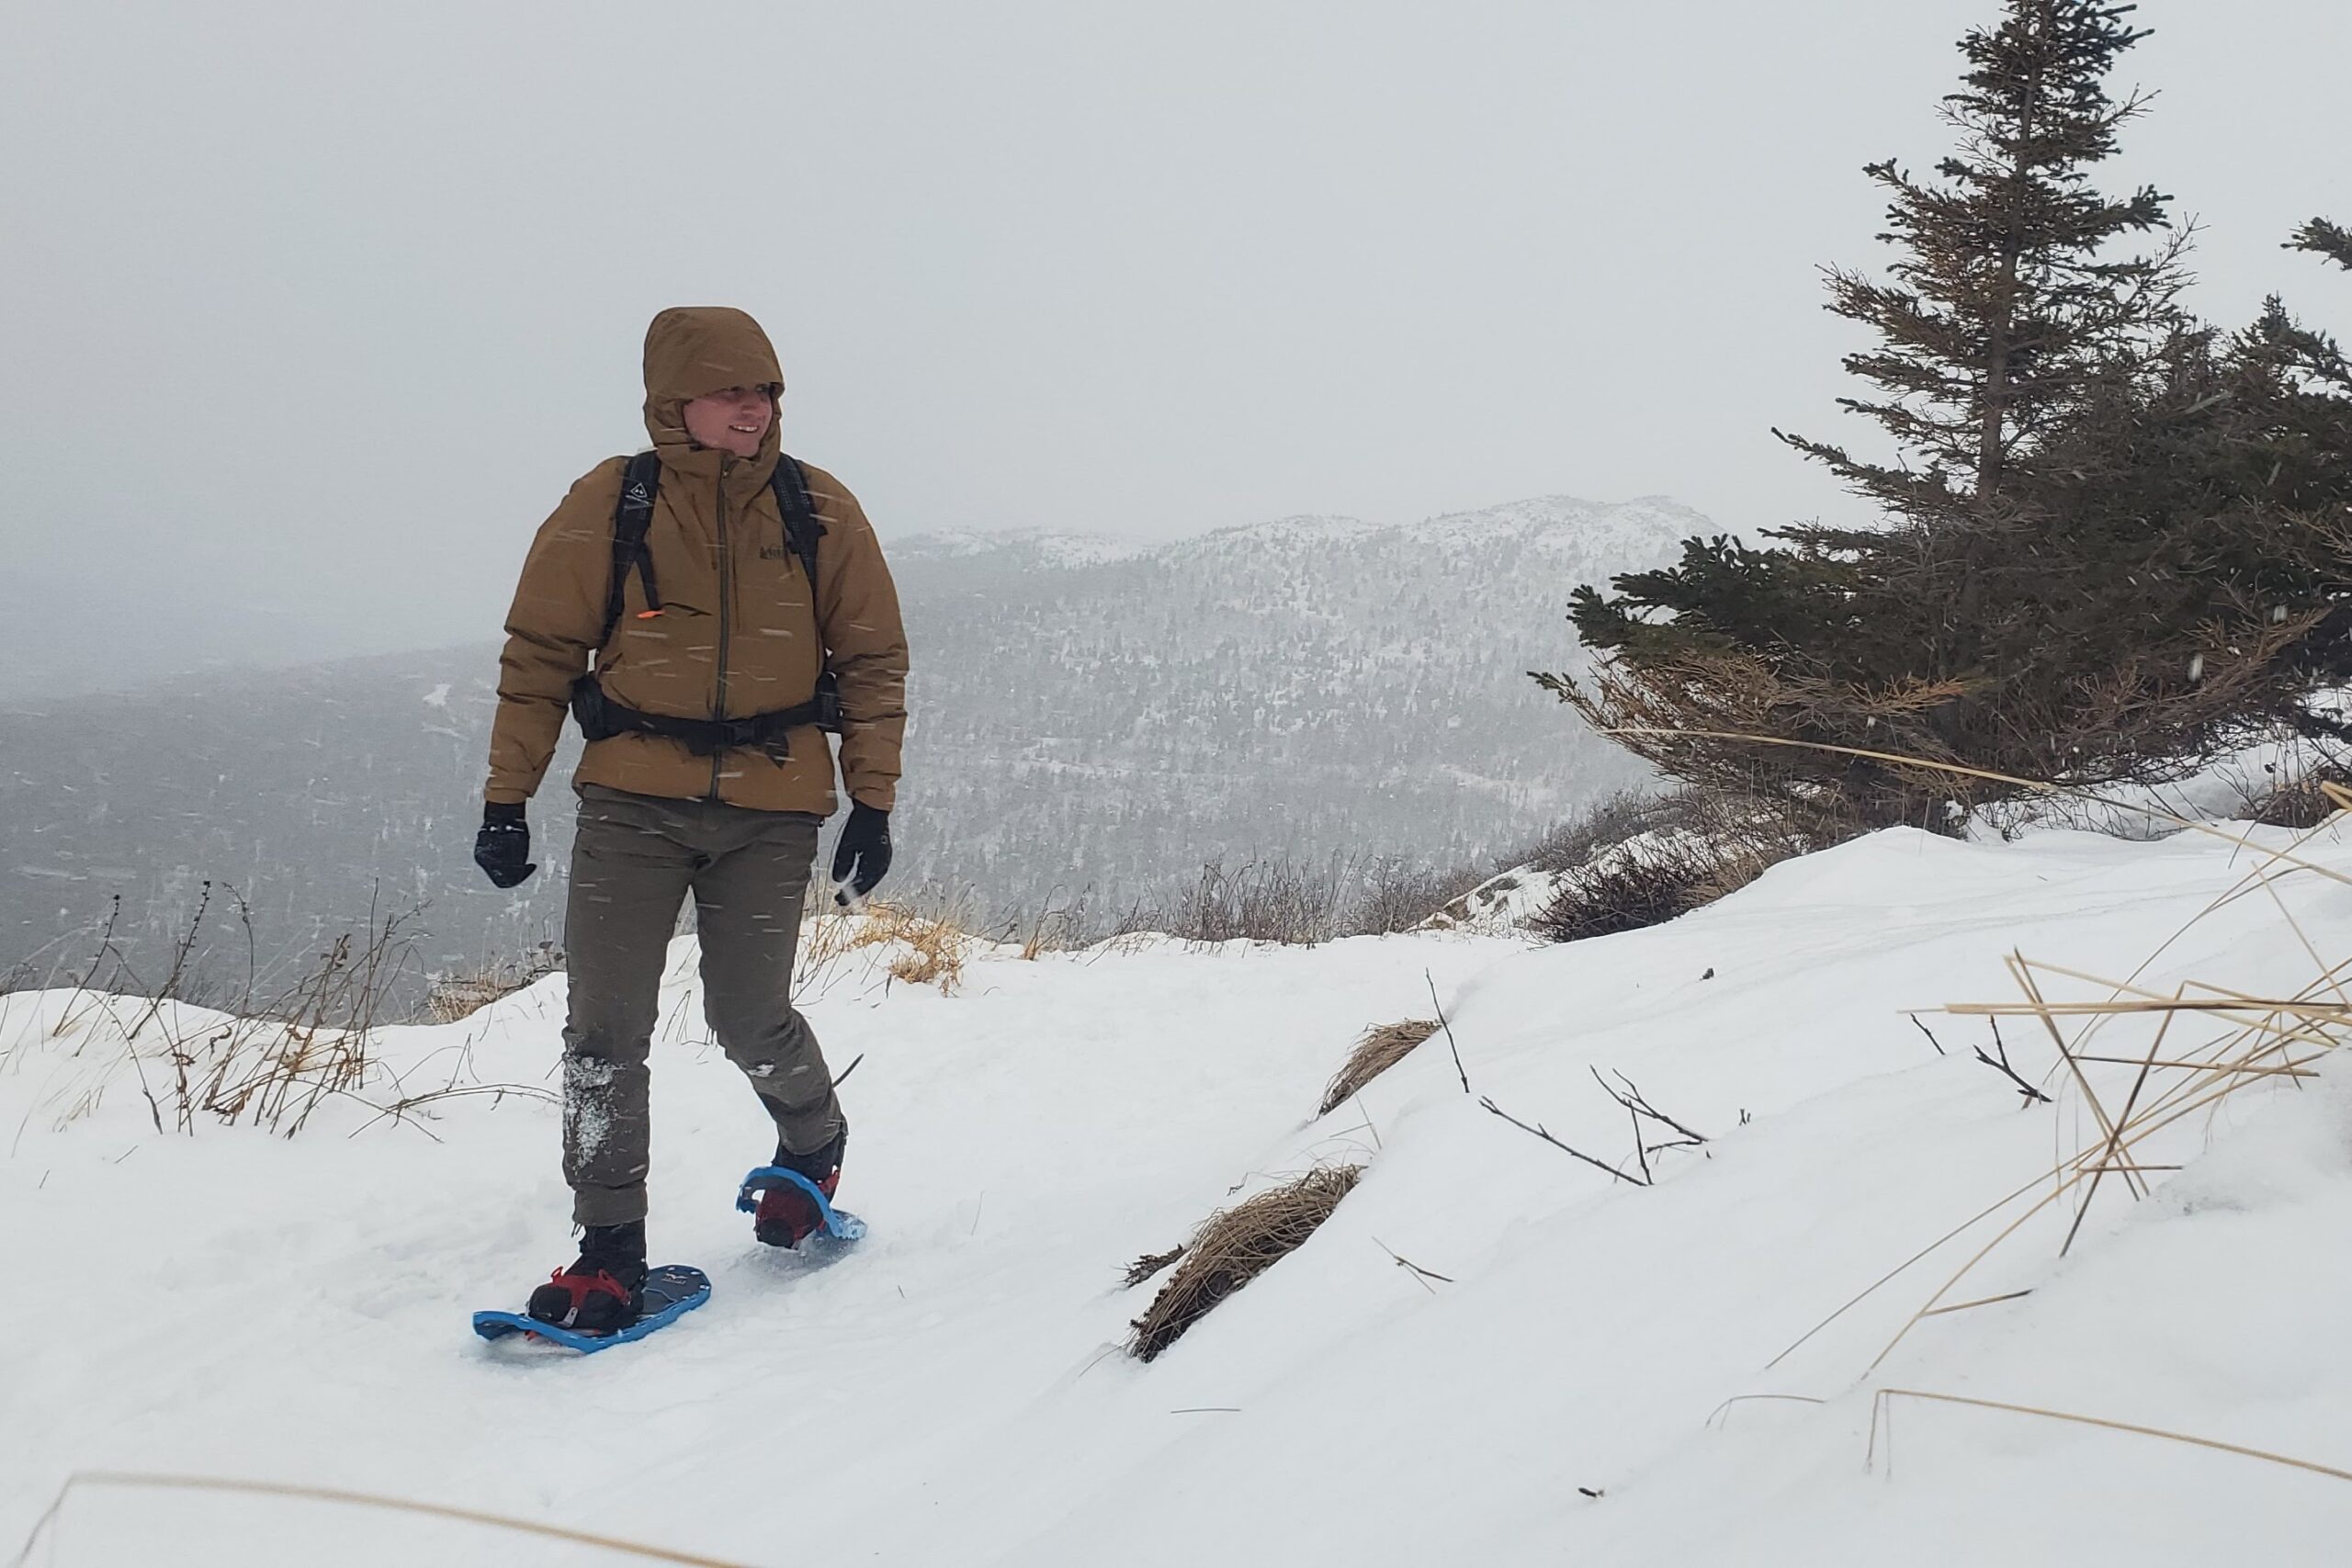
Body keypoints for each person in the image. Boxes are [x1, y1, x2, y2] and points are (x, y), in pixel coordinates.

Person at [473, 305, 909, 1333]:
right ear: (675, 403)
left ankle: (812, 1143)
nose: (752, 410)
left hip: (772, 806)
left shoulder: (816, 508)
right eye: (730, 392)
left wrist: (872, 800)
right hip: (632, 804)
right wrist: (507, 797)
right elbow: (540, 655)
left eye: (764, 392)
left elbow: (873, 662)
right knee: (602, 1033)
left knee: (746, 1015)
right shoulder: (613, 502)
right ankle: (608, 1250)